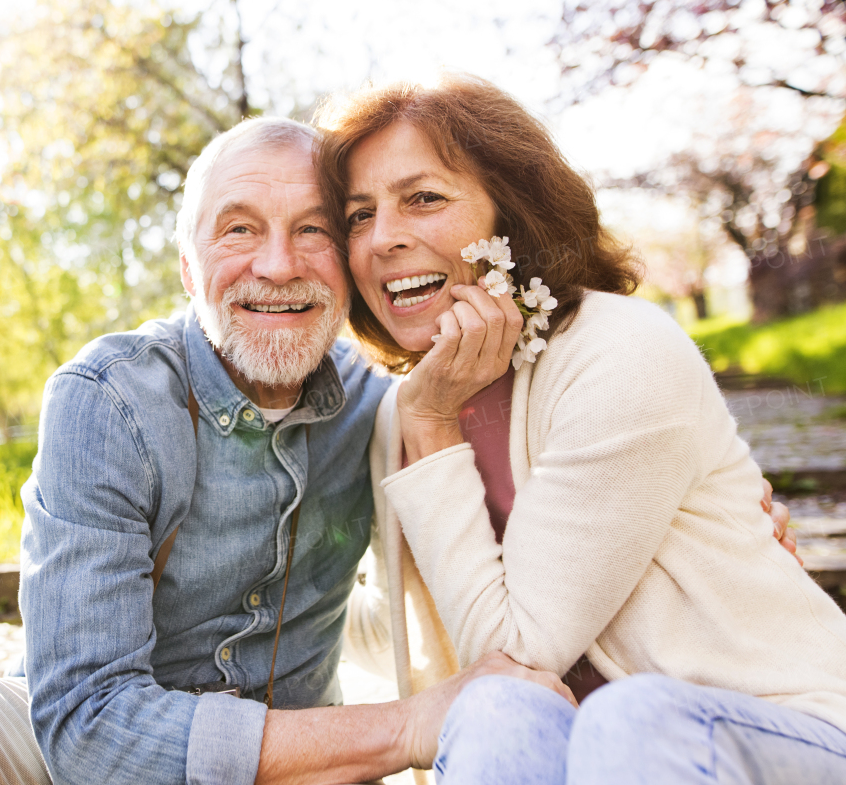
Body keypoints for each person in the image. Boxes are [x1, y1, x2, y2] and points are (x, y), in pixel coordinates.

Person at [0, 116, 579, 785]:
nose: (277, 265)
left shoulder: (382, 406)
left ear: (350, 261)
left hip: (295, 763)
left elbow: (423, 612)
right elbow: (85, 720)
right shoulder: (111, 399)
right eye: (238, 229)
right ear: (189, 266)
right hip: (65, 751)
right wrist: (406, 726)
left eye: (312, 229)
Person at [316, 74, 846, 784]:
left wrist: (435, 426)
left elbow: (513, 653)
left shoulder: (620, 353)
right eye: (357, 215)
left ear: (511, 214)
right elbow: (419, 624)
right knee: (494, 715)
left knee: (625, 715)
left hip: (777, 728)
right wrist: (212, 608)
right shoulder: (402, 412)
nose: (383, 238)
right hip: (580, 752)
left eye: (425, 198)